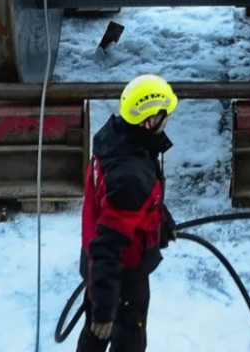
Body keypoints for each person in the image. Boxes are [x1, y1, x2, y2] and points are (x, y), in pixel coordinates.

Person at [77, 74, 179, 351]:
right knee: (123, 340)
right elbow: (109, 243)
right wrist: (105, 307)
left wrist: (161, 221)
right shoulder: (131, 176)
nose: (169, 119)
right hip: (119, 274)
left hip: (101, 271)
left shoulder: (118, 139)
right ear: (149, 121)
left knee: (94, 337)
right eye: (165, 115)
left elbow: (132, 203)